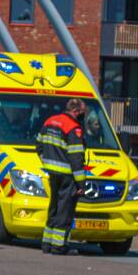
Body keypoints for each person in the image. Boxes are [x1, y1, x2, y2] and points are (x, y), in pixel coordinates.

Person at [36, 98, 87, 255]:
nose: (83, 116)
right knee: (64, 211)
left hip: (52, 173)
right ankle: (59, 246)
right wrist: (81, 184)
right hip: (67, 175)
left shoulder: (50, 121)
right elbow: (76, 159)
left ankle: (46, 244)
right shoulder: (73, 128)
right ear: (76, 111)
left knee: (54, 207)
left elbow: (38, 144)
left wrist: (46, 161)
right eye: (82, 112)